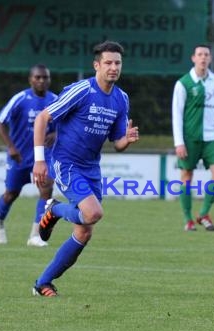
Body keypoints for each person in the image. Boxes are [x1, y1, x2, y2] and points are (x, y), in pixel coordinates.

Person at [31, 40, 140, 297]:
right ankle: (55, 209)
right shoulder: (82, 90)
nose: (113, 67)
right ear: (96, 65)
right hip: (66, 163)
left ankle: (42, 282)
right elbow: (43, 117)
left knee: (84, 232)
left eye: (118, 63)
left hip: (91, 167)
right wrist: (39, 160)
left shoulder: (121, 99)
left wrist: (127, 139)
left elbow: (117, 143)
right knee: (92, 213)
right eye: (108, 63)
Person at [0, 64, 58, 247]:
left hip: (43, 158)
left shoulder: (56, 100)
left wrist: (56, 134)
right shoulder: (20, 99)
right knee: (11, 193)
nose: (42, 81)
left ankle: (35, 235)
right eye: (38, 77)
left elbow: (67, 125)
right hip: (19, 156)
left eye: (45, 77)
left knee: (46, 190)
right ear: (30, 79)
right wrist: (11, 147)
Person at [172, 44, 214, 232]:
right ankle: (188, 219)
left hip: (213, 137)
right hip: (190, 138)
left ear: (210, 59)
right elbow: (177, 114)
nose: (203, 58)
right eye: (200, 54)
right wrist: (179, 142)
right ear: (193, 58)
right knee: (186, 176)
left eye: (206, 54)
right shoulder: (183, 83)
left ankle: (204, 212)